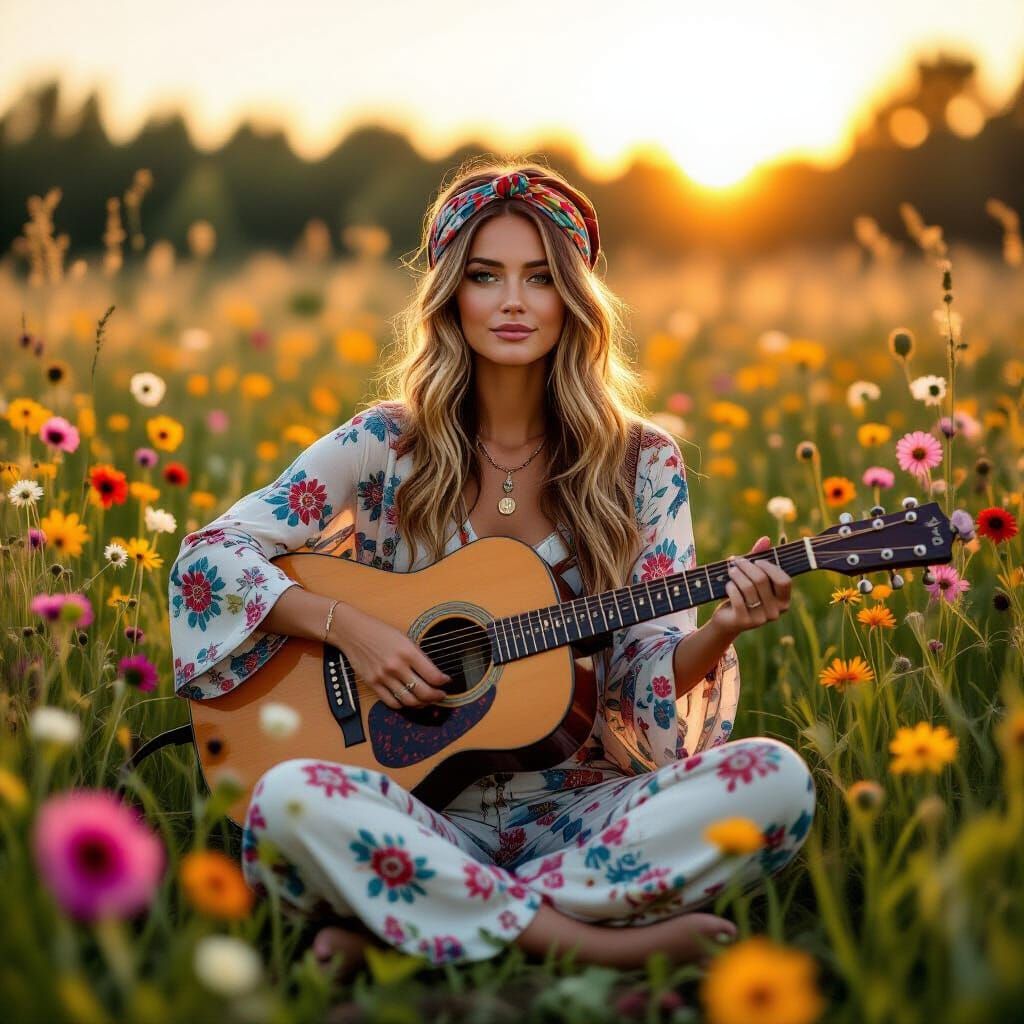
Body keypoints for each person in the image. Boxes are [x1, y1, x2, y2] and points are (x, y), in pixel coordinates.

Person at [168, 161, 815, 976]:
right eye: (486, 276)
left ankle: (408, 919)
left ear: (573, 299)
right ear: (451, 296)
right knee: (292, 798)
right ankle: (583, 940)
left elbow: (645, 686)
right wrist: (350, 628)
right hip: (402, 805)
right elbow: (210, 558)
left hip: (583, 809)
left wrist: (720, 628)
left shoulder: (642, 463)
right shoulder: (383, 445)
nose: (513, 301)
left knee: (774, 781)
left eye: (540, 278)